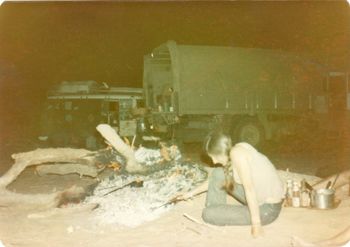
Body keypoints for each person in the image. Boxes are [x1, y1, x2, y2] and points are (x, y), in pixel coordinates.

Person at [183, 130, 285, 237]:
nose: (213, 161)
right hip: (263, 198)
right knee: (218, 173)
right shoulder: (237, 149)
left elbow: (249, 189)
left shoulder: (238, 156)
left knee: (207, 214)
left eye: (214, 157)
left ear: (221, 152)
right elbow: (215, 179)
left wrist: (256, 224)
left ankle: (216, 212)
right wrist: (190, 193)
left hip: (267, 210)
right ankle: (217, 209)